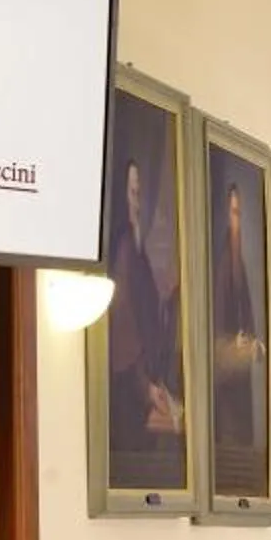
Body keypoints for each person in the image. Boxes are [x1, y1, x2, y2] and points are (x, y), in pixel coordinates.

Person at [105, 153, 185, 487]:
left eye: (141, 194)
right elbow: (125, 334)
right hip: (130, 400)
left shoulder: (141, 255)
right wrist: (145, 385)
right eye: (132, 193)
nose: (137, 203)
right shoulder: (125, 251)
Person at [208, 176, 267, 496]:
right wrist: (231, 345)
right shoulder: (217, 268)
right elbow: (211, 333)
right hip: (224, 380)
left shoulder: (239, 266)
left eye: (239, 214)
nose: (236, 222)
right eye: (231, 213)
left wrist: (252, 342)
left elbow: (248, 319)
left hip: (240, 380)